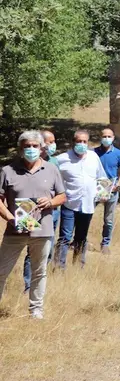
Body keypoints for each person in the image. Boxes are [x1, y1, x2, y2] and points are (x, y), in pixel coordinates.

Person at [0, 131, 66, 319]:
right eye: (27, 146)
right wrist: (11, 218)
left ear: (41, 148)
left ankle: (36, 310)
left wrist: (51, 202)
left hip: (42, 230)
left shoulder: (52, 170)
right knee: (1, 271)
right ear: (21, 149)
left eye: (35, 146)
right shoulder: (8, 171)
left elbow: (62, 196)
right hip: (15, 231)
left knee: (39, 271)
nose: (31, 149)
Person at [54, 129, 107, 270]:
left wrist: (104, 192)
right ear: (73, 142)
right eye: (78, 141)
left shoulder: (93, 157)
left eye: (84, 141)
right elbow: (52, 177)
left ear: (88, 143)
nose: (81, 144)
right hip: (69, 204)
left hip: (88, 205)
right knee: (65, 237)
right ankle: (59, 267)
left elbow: (101, 177)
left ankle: (79, 266)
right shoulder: (62, 159)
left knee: (82, 237)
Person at [95, 127, 120, 255]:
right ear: (100, 137)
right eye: (104, 136)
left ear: (113, 138)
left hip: (112, 189)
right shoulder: (94, 152)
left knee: (108, 219)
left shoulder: (119, 153)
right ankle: (81, 241)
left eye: (109, 136)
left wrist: (118, 184)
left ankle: (105, 243)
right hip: (96, 188)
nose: (107, 139)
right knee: (87, 215)